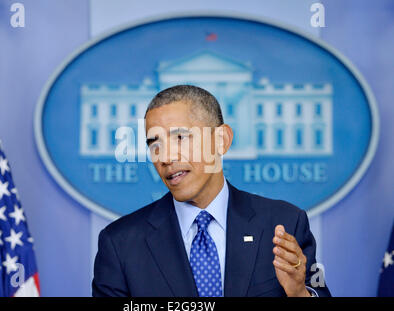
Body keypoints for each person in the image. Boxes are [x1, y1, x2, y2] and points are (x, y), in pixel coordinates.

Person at [92, 85, 331, 297]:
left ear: (221, 140)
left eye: (179, 138)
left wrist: (299, 294)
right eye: (155, 144)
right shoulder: (120, 244)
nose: (164, 157)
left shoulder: (285, 223)